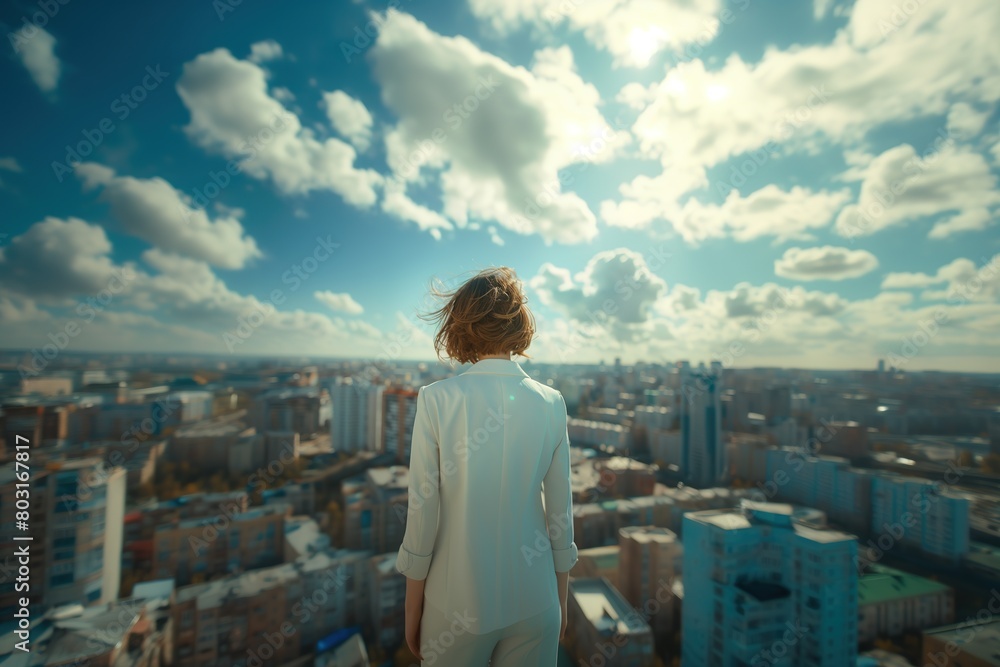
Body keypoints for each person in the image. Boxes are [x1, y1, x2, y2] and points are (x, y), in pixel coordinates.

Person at [395, 266, 578, 666]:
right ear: (519, 324)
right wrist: (559, 600)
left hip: (454, 606)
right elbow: (560, 515)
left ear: (460, 325)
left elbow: (422, 510)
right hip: (538, 602)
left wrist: (412, 610)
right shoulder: (552, 402)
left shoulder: (436, 399)